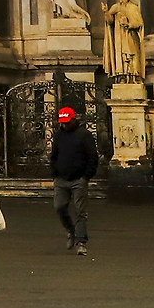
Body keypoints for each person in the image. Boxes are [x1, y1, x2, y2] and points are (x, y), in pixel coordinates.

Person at [49, 105, 99, 255]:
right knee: (59, 206)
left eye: (67, 122)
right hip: (61, 178)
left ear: (73, 120)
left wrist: (86, 176)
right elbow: (54, 155)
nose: (64, 125)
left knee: (80, 212)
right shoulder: (59, 136)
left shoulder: (84, 135)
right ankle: (71, 230)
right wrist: (54, 174)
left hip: (79, 179)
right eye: (62, 122)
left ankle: (81, 241)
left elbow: (92, 157)